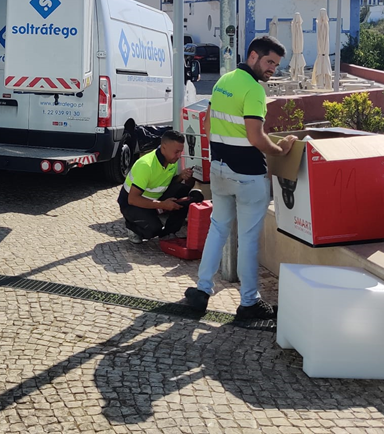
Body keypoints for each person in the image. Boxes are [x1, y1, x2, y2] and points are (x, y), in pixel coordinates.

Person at [184, 35, 298, 320]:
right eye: (269, 61)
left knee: (217, 229)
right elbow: (255, 137)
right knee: (247, 239)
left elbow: (208, 125)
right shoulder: (255, 91)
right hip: (248, 175)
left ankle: (202, 290)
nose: (272, 68)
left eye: (276, 64)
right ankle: (249, 302)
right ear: (253, 56)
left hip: (219, 169)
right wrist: (281, 150)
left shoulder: (223, 81)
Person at [118, 129, 196, 244]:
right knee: (153, 230)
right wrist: (163, 204)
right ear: (163, 147)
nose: (179, 156)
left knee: (184, 189)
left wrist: (181, 177)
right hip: (132, 204)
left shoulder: (171, 160)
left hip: (154, 198)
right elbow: (133, 199)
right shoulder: (146, 165)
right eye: (176, 152)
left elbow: (168, 182)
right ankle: (132, 226)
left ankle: (169, 230)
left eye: (181, 152)